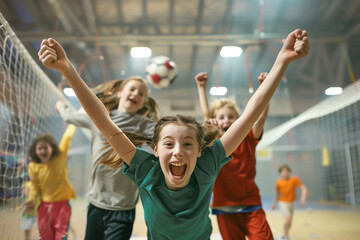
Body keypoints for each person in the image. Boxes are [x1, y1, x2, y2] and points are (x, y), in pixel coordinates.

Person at [38, 28, 309, 239]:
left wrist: (282, 61)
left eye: (188, 143)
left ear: (200, 150)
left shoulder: (208, 164)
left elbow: (250, 113)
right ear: (155, 150)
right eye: (168, 143)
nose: (178, 151)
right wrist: (67, 69)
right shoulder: (146, 169)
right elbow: (103, 120)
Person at [55, 77, 159, 240]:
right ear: (119, 93)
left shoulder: (145, 125)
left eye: (141, 93)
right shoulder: (99, 117)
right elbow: (71, 117)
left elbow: (167, 132)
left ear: (143, 103)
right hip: (96, 202)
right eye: (132, 89)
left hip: (123, 207)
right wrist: (61, 107)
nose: (135, 94)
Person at [195, 72, 273, 240]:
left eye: (231, 117)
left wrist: (264, 87)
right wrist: (201, 88)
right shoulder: (214, 144)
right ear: (216, 122)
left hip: (251, 203)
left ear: (239, 121)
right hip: (225, 206)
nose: (226, 120)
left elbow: (259, 116)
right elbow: (207, 117)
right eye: (221, 117)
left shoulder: (249, 138)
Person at [25, 124, 76, 240]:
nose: (43, 151)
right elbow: (33, 186)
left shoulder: (60, 157)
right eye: (39, 148)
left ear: (52, 148)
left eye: (45, 147)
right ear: (35, 151)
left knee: (61, 237)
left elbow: (66, 138)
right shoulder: (33, 166)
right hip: (44, 208)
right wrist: (31, 200)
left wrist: (72, 121)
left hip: (62, 207)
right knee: (45, 237)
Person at [272, 164, 307, 240]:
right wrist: (274, 204)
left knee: (290, 223)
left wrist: (303, 199)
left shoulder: (294, 179)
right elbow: (277, 194)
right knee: (288, 219)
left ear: (289, 172)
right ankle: (286, 236)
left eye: (286, 171)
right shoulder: (279, 182)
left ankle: (285, 234)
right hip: (283, 202)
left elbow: (304, 189)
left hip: (292, 203)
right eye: (283, 171)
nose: (285, 173)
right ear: (280, 173)